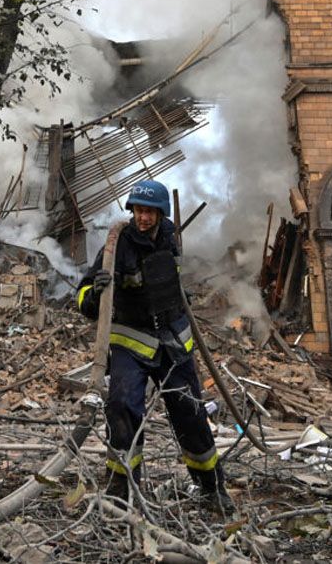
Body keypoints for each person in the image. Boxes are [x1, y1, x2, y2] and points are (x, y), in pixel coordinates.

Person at [76, 180, 233, 514]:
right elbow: (84, 298)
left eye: (150, 211)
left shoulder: (170, 239)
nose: (143, 217)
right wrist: (95, 292)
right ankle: (121, 491)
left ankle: (211, 487)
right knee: (122, 408)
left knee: (191, 414)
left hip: (173, 345)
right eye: (138, 210)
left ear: (161, 214)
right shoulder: (118, 244)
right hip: (130, 343)